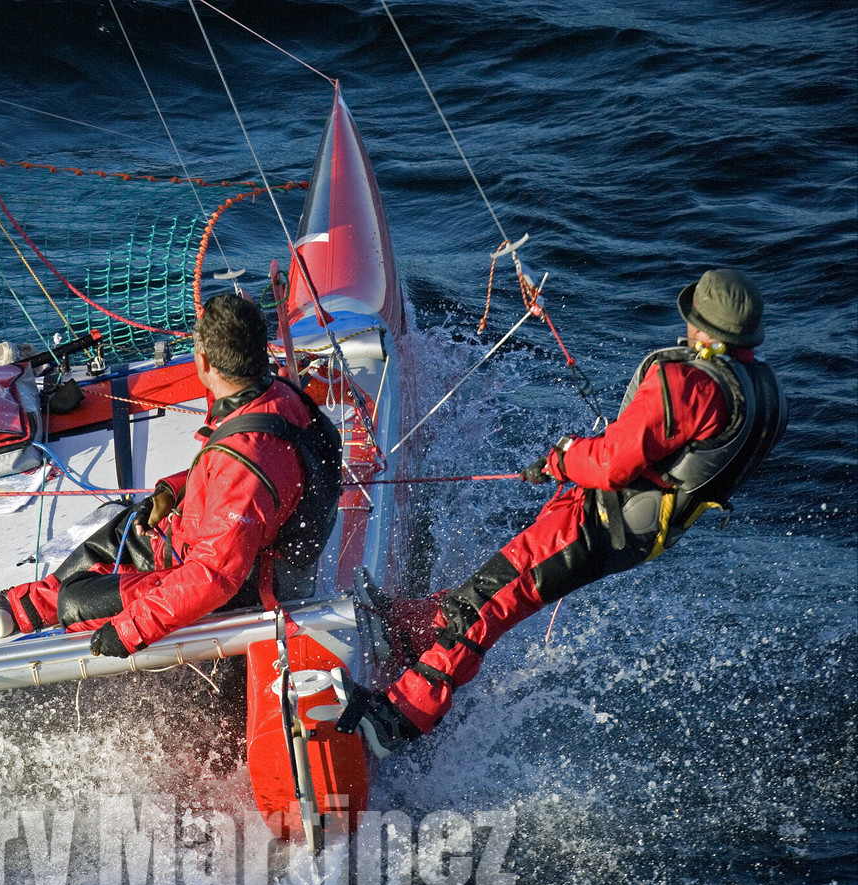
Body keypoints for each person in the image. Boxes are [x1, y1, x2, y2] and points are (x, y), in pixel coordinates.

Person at [337, 268, 788, 756]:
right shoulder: (764, 389)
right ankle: (410, 628)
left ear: (699, 322)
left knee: (487, 603)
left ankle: (396, 721)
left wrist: (562, 456)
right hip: (637, 531)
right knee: (494, 586)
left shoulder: (691, 385)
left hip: (598, 521)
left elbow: (611, 465)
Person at [0, 292, 342, 657]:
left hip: (245, 583)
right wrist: (174, 490)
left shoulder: (247, 458)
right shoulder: (276, 398)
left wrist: (131, 631)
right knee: (121, 530)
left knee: (78, 601)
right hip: (205, 541)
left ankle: (40, 611)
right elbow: (241, 476)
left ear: (202, 362)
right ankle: (15, 607)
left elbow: (215, 576)